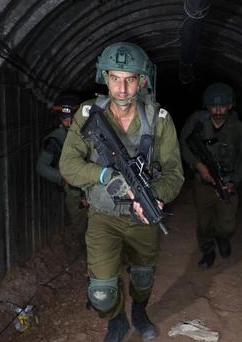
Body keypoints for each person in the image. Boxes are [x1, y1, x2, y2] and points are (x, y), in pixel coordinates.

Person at [59, 42, 184, 342]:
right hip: (103, 216)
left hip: (142, 217)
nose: (123, 88)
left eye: (130, 79)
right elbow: (68, 165)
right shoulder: (89, 113)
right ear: (105, 77)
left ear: (142, 81)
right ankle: (116, 319)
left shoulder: (159, 119)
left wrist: (153, 196)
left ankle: (139, 311)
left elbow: (175, 174)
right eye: (115, 78)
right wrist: (102, 174)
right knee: (102, 293)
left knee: (142, 278)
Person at [180, 83, 242, 269]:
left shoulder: (238, 128)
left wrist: (233, 182)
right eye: (214, 106)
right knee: (204, 222)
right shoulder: (197, 122)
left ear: (230, 106)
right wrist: (199, 166)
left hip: (227, 181)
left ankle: (222, 238)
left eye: (223, 106)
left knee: (227, 223)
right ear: (207, 105)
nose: (218, 110)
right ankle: (207, 251)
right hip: (203, 182)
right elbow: (184, 144)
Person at [36, 94, 88, 242]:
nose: (70, 123)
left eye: (73, 119)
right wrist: (62, 177)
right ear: (60, 118)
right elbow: (41, 167)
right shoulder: (55, 139)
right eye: (66, 119)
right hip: (74, 193)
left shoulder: (91, 133)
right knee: (81, 231)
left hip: (97, 190)